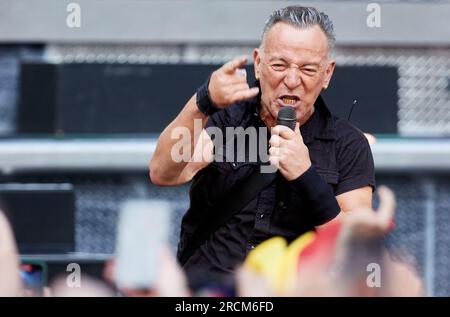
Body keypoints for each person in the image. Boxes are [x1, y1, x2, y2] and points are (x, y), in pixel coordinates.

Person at [150, 6, 375, 283]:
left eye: (307, 69)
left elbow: (358, 251)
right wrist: (202, 102)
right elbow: (163, 172)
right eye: (279, 65)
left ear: (326, 74)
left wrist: (307, 176)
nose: (292, 81)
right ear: (258, 63)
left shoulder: (347, 144)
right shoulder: (225, 120)